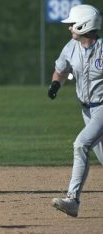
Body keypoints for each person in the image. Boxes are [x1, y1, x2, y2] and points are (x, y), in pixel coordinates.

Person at [48, 4, 103, 217]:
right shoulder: (70, 47)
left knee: (80, 145)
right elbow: (60, 71)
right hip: (87, 111)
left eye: (72, 24)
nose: (70, 28)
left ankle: (73, 200)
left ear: (83, 25)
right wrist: (55, 85)